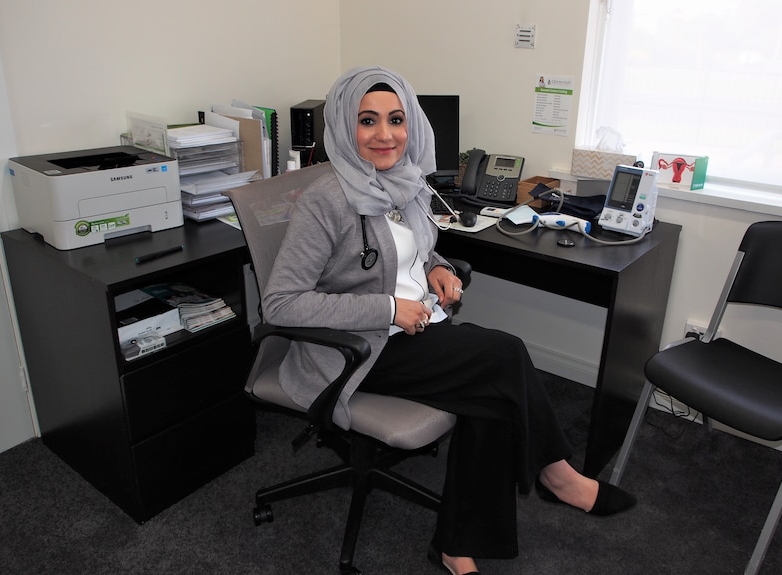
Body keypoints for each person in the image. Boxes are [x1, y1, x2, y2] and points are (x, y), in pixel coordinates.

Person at [263, 66, 636, 575]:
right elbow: (281, 304)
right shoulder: (326, 200)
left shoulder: (405, 181)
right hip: (357, 349)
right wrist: (390, 308)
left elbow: (414, 251)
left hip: (415, 331)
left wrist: (437, 270)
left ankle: (457, 544)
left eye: (396, 119)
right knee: (504, 355)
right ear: (344, 129)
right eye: (367, 121)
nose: (385, 134)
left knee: (492, 396)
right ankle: (558, 474)